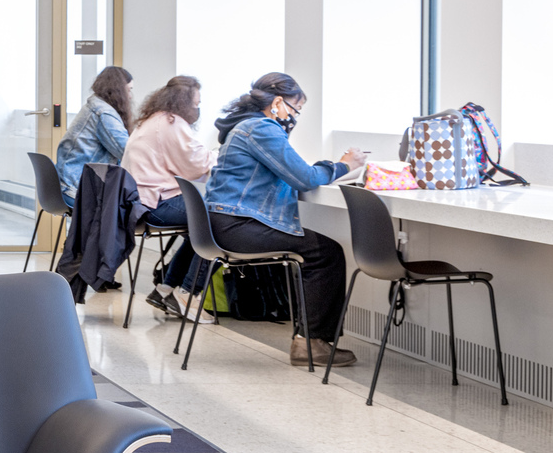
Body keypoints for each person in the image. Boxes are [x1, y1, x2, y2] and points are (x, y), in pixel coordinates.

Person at [200, 72, 368, 367]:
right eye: (295, 108)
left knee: (317, 249)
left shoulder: (244, 126)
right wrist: (345, 165)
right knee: (325, 253)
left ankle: (309, 339)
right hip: (238, 226)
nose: (294, 117)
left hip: (223, 223)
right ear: (278, 103)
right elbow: (305, 178)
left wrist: (327, 168)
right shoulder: (262, 128)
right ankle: (310, 343)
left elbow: (294, 170)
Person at [122, 76, 219, 322]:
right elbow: (196, 165)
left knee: (199, 230)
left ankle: (165, 290)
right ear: (183, 102)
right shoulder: (171, 123)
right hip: (154, 204)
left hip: (140, 203)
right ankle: (186, 295)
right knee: (218, 223)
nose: (198, 108)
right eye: (196, 103)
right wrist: (221, 155)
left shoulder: (152, 120)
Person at [55, 66, 134, 206]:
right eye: (128, 90)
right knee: (134, 202)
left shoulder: (94, 105)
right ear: (119, 90)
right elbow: (128, 153)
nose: (130, 96)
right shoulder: (104, 113)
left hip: (67, 182)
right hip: (76, 189)